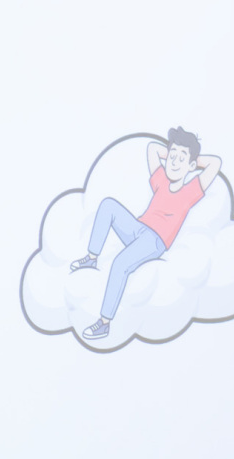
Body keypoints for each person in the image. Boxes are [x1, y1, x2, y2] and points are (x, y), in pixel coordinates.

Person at [69, 127, 222, 340]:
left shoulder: (190, 192)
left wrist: (191, 160)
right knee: (108, 205)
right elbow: (152, 149)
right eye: (172, 156)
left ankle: (104, 323)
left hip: (155, 240)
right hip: (137, 228)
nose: (175, 162)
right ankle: (92, 257)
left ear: (191, 166)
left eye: (181, 159)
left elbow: (215, 163)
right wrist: (176, 152)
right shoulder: (161, 181)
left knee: (120, 264)